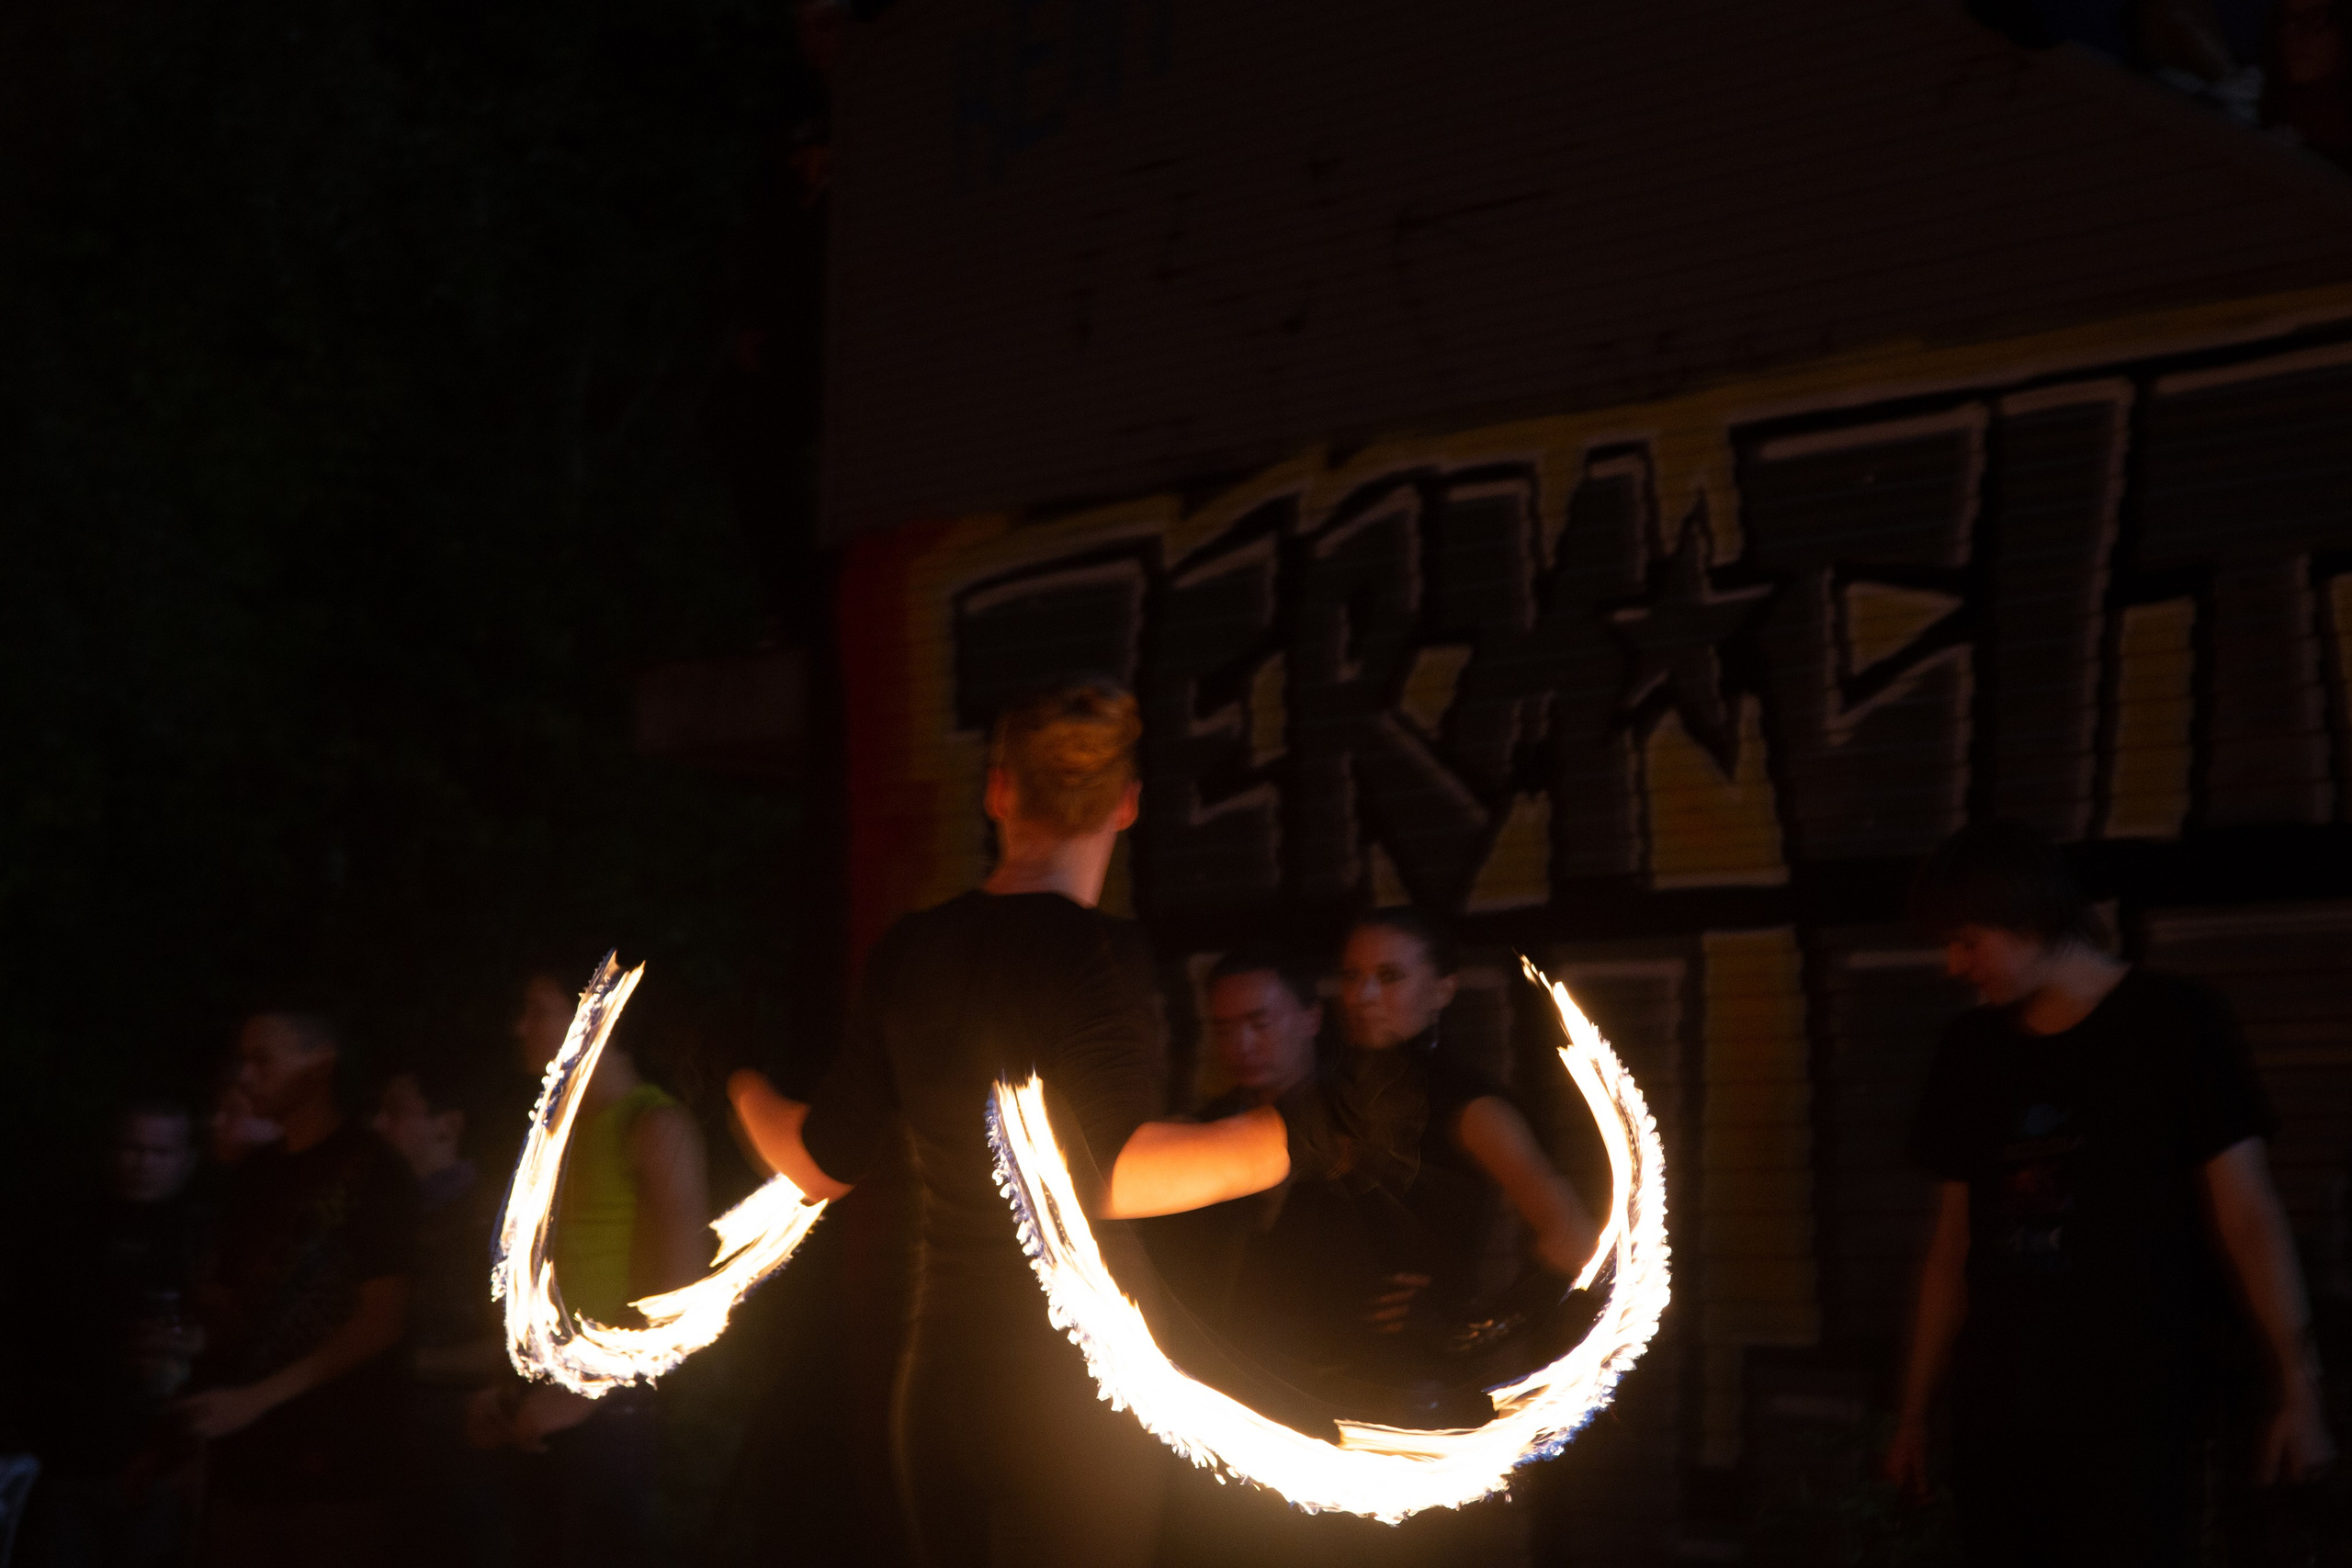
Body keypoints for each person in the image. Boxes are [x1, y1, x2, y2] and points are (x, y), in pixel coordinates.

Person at [727, 679, 1347, 1568]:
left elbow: (823, 1162)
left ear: (998, 791)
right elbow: (1113, 1174)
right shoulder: (1096, 955)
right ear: (1127, 806)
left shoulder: (911, 949)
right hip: (1072, 1395)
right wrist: (1308, 1130)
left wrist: (737, 1080)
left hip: (937, 1388)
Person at [1883, 822, 2336, 1565]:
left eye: (1968, 940)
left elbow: (2249, 1218)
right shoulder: (1969, 1053)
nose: (1954, 965)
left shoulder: (2175, 1022)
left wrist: (2299, 1386)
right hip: (1999, 1422)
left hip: (2137, 1419)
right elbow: (1951, 1249)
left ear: (2027, 916)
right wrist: (1913, 1413)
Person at [467, 964, 710, 1568]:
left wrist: (582, 1400)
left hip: (607, 1421)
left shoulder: (654, 1125)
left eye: (538, 1010)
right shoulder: (553, 1133)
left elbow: (679, 1295)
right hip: (538, 1410)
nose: (518, 1026)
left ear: (595, 1017)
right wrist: (504, 1390)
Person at [182, 1011, 415, 1568]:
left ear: (319, 1065)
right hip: (239, 1462)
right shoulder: (254, 1174)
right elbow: (231, 1307)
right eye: (244, 1060)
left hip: (333, 1465)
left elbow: (383, 1318)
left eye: (263, 1059)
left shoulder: (375, 1170)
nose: (244, 1076)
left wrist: (256, 1399)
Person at [19, 1101, 208, 1568]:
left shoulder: (203, 1240)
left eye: (160, 1152)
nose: (143, 1164)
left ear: (187, 1160)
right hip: (71, 1457)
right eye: (132, 1148)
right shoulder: (66, 1232)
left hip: (162, 1462)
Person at [371, 1059, 507, 1568]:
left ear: (447, 1125)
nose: (378, 1126)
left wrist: (399, 1363)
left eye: (395, 1112)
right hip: (388, 1452)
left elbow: (514, 1350)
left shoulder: (490, 1221)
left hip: (461, 1457)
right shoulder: (384, 1214)